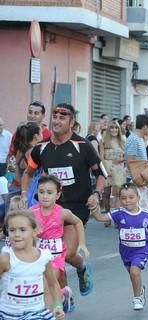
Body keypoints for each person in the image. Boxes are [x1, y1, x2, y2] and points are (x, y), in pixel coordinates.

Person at [21, 103, 101, 297]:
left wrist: (96, 194)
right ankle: (64, 295)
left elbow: (101, 173)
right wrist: (24, 193)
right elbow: (28, 172)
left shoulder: (83, 146)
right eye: (54, 117)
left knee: (67, 254)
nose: (56, 121)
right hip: (50, 206)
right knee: (54, 256)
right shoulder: (41, 148)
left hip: (76, 207)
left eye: (62, 118)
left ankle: (82, 267)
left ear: (72, 123)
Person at [93, 183, 148, 310]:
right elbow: (99, 217)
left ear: (138, 198)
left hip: (141, 250)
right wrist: (95, 207)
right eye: (123, 198)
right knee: (132, 274)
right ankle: (140, 288)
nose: (127, 201)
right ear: (119, 200)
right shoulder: (118, 214)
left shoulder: (145, 215)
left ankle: (137, 298)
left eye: (131, 197)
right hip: (125, 251)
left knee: (135, 272)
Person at [32, 175, 89, 313]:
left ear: (57, 195)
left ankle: (45, 317)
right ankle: (64, 295)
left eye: (49, 193)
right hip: (39, 256)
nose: (45, 196)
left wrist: (82, 244)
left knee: (48, 283)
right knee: (52, 283)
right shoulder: (31, 213)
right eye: (41, 192)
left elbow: (78, 222)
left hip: (56, 256)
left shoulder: (63, 213)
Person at [99, 120, 127, 211]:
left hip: (119, 168)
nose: (114, 130)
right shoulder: (103, 140)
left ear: (119, 129)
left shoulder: (123, 139)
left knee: (119, 192)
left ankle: (117, 213)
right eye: (112, 128)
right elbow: (101, 156)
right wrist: (106, 170)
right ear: (108, 129)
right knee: (106, 193)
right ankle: (107, 213)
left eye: (116, 128)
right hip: (107, 167)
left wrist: (120, 160)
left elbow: (128, 155)